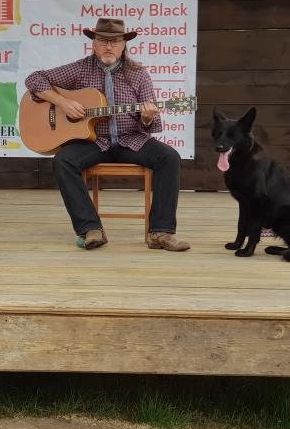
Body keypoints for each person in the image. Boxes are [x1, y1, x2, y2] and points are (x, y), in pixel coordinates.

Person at [24, 17, 190, 252]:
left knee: (169, 157)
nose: (108, 47)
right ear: (93, 43)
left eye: (115, 41)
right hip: (94, 142)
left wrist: (146, 116)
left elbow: (152, 126)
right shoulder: (80, 68)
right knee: (63, 160)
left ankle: (160, 233)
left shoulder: (139, 74)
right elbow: (33, 80)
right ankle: (91, 228)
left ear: (124, 44)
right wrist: (62, 102)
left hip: (129, 141)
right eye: (102, 40)